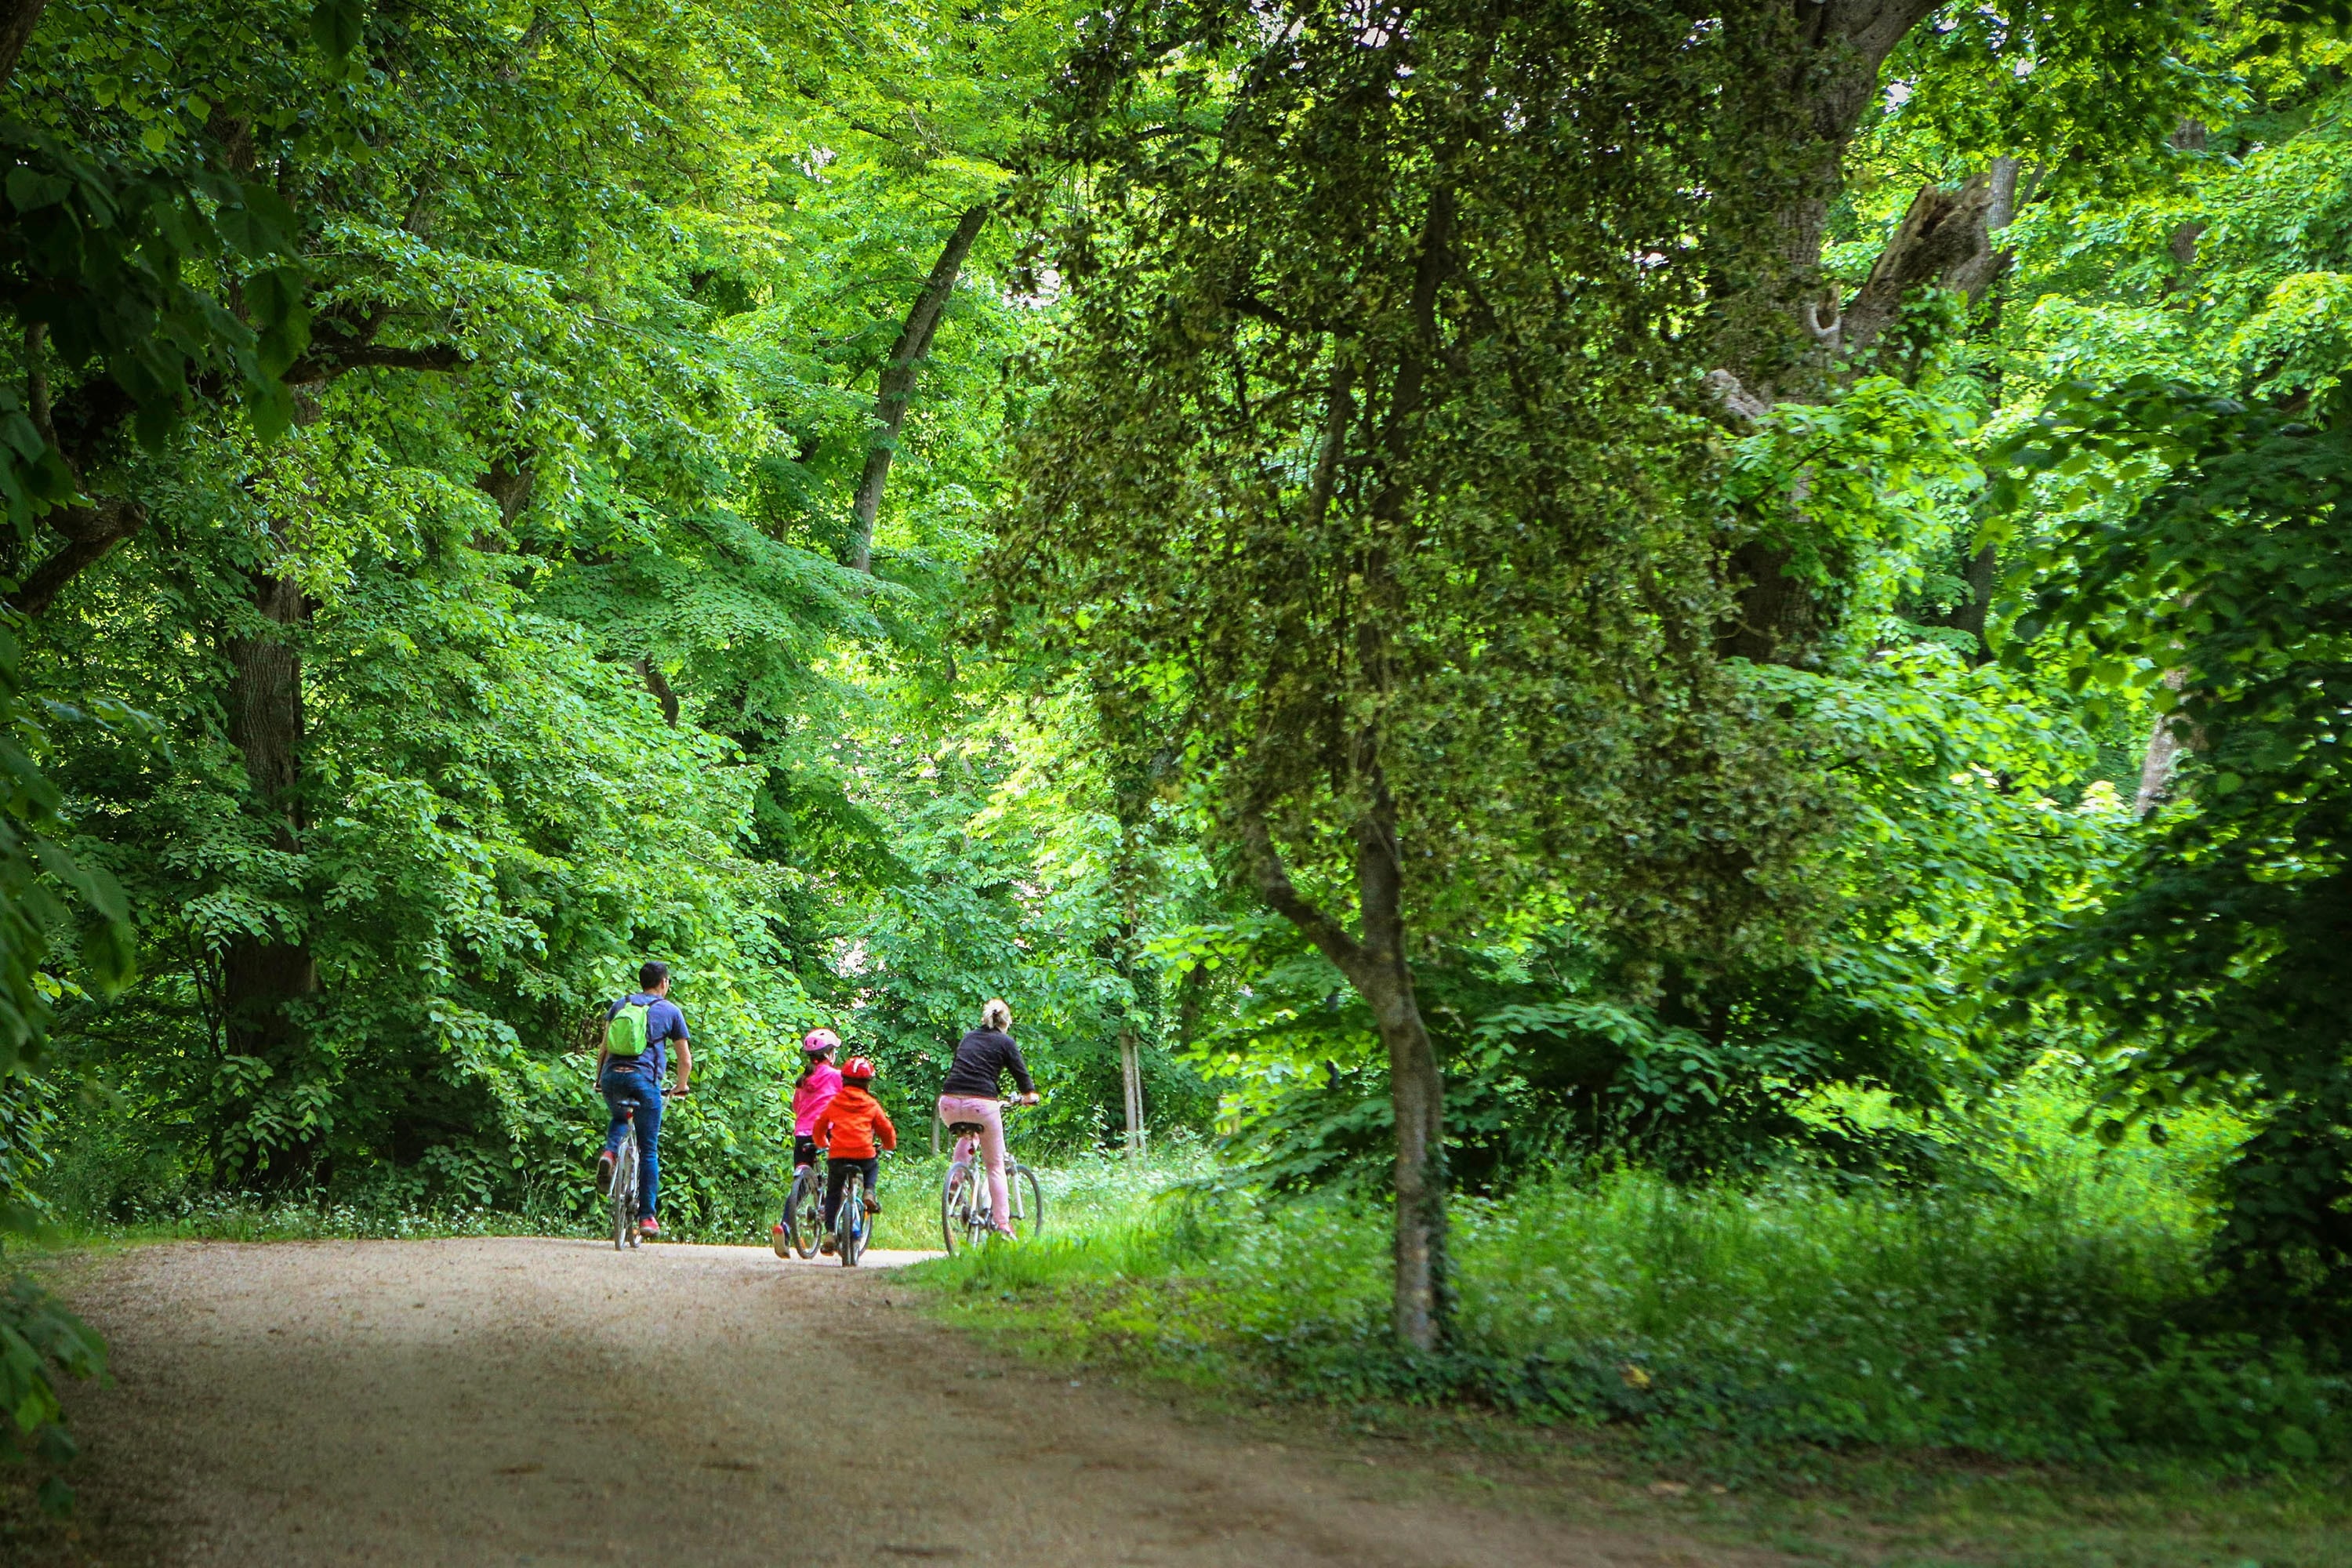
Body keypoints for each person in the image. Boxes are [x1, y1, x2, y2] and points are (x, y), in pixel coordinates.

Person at [596, 960, 691, 1238]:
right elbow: (684, 1059)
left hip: (613, 1076)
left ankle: (610, 1153)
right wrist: (681, 1086)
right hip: (644, 1081)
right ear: (664, 983)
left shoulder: (620, 1005)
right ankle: (647, 1217)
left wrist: (600, 1080)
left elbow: (604, 1049)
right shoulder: (670, 1010)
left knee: (618, 1117)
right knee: (649, 1149)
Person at [936, 999, 1037, 1239]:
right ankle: (1002, 1225)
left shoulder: (969, 1037)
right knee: (995, 1165)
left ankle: (956, 1181)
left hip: (948, 1103)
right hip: (981, 1104)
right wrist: (1030, 1095)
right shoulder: (1005, 1041)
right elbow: (1021, 1075)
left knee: (968, 1135)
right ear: (1007, 1021)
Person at [810, 1056, 895, 1254]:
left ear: (844, 1080)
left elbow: (819, 1127)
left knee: (833, 1193)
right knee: (872, 1165)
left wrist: (824, 1143)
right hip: (864, 1154)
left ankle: (830, 1232)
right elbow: (887, 1130)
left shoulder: (835, 1102)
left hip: (838, 1155)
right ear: (868, 1083)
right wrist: (888, 1145)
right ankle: (869, 1191)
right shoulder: (872, 1104)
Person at [771, 1029, 843, 1257]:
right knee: (838, 1175)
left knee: (801, 1184)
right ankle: (831, 1220)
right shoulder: (836, 1076)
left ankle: (784, 1226)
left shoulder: (803, 1081)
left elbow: (796, 1107)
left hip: (802, 1134)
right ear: (830, 1054)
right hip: (828, 1132)